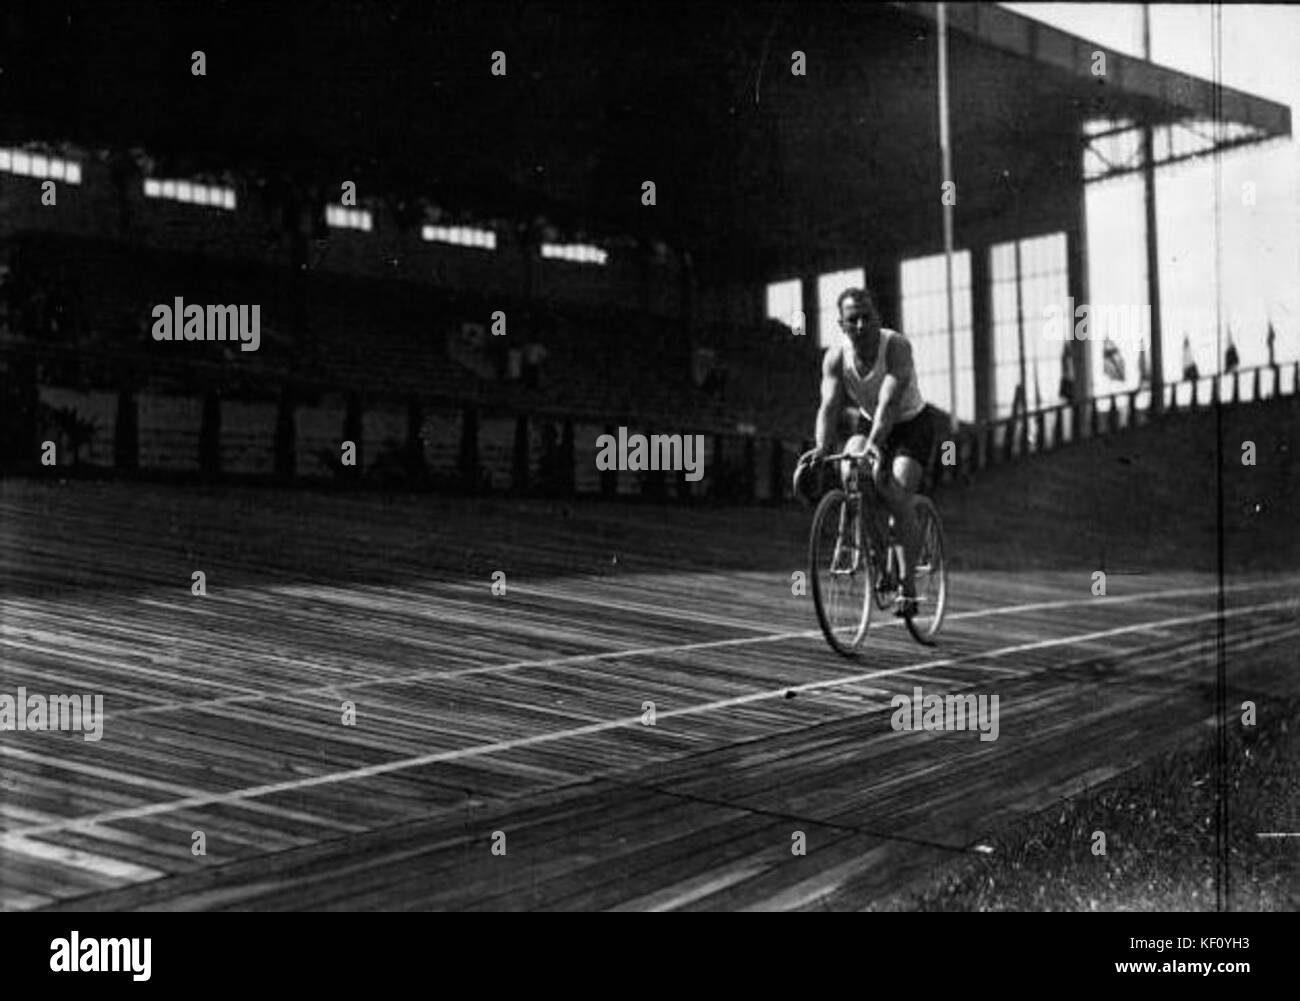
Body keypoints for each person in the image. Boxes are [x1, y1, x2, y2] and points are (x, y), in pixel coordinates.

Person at [794, 287, 936, 616]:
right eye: (852, 320)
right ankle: (880, 557)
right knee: (851, 473)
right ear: (841, 326)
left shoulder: (896, 346)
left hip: (909, 426)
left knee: (896, 494)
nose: (860, 325)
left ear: (878, 319)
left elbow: (888, 402)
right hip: (869, 422)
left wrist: (875, 445)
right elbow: (828, 408)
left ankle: (908, 586)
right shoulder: (835, 357)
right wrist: (821, 446)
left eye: (866, 318)